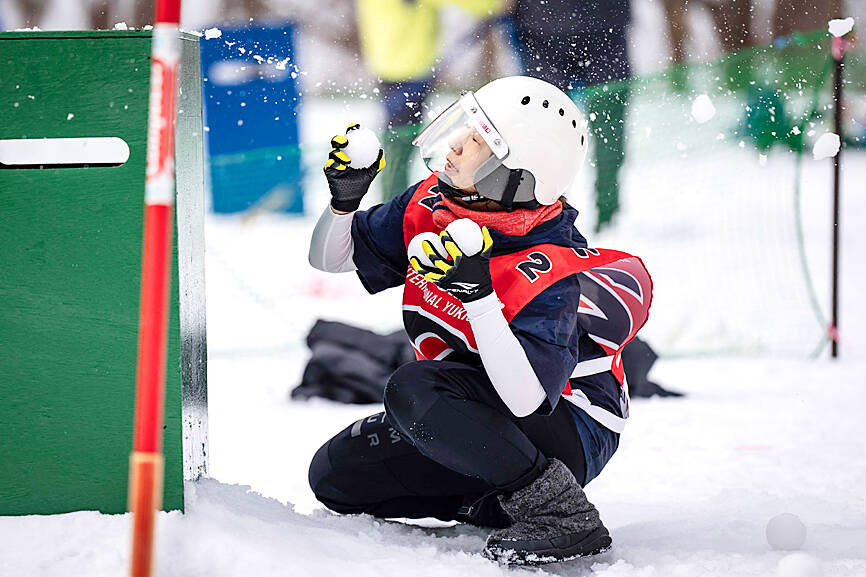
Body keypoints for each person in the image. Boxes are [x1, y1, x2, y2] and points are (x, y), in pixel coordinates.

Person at [307, 76, 651, 565]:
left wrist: (480, 295)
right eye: (464, 129)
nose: (454, 144)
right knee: (335, 477)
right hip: (471, 401)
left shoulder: (549, 267)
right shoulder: (437, 202)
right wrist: (345, 200)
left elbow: (528, 398)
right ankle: (492, 503)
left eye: (476, 141)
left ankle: (561, 515)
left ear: (511, 175)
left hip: (568, 427)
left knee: (413, 388)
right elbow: (333, 259)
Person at [355, 0, 503, 200]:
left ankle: (391, 202)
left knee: (398, 143)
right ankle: (392, 204)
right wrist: (496, 4)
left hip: (390, 63)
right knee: (400, 145)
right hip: (407, 67)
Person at [511, 0, 632, 232]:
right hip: (545, 30)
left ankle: (609, 218)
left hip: (599, 28)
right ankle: (546, 219)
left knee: (607, 128)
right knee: (545, 134)